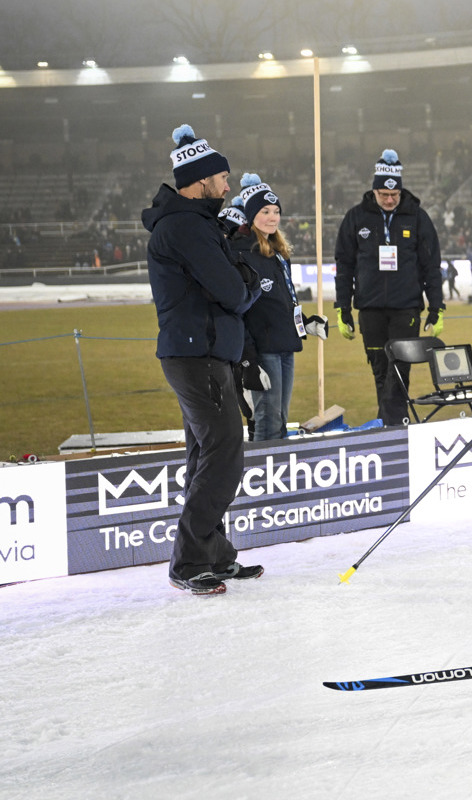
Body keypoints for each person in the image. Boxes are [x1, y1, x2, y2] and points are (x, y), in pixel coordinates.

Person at [143, 124, 263, 595]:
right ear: (200, 180)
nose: (229, 187)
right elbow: (234, 292)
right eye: (223, 178)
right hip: (198, 356)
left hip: (203, 354)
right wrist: (249, 278)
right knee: (223, 453)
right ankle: (190, 561)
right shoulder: (187, 228)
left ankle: (213, 555)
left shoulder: (195, 225)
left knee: (206, 455)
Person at [334, 149, 445, 426]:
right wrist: (343, 308)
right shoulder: (355, 218)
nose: (389, 200)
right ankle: (392, 424)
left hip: (405, 308)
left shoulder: (418, 218)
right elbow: (344, 266)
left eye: (394, 195)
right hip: (370, 309)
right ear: (374, 191)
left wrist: (436, 306)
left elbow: (431, 265)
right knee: (380, 371)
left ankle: (390, 426)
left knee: (399, 370)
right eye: (383, 194)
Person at [232, 173, 327, 441]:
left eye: (276, 211)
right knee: (266, 421)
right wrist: (249, 360)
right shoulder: (242, 252)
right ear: (251, 215)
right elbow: (240, 311)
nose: (272, 217)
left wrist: (306, 322)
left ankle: (277, 473)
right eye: (265, 211)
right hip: (264, 350)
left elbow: (284, 302)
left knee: (281, 420)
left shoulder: (279, 252)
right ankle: (260, 476)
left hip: (286, 345)